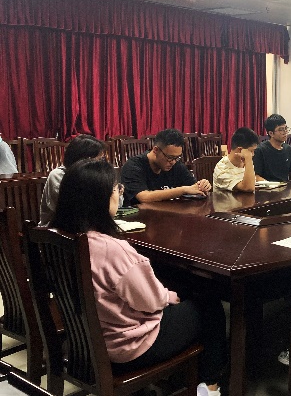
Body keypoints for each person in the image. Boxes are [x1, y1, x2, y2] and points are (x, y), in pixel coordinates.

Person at [51, 159, 226, 396]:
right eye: (116, 188)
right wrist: (170, 296)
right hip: (126, 348)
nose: (120, 193)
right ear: (100, 199)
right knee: (210, 305)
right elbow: (152, 302)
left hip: (84, 341)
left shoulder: (57, 237)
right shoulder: (112, 249)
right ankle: (210, 385)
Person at [121, 129, 210, 205]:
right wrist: (183, 190)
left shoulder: (175, 164)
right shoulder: (133, 166)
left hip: (168, 215)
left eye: (177, 157)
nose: (173, 162)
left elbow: (193, 187)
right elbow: (144, 197)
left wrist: (202, 186)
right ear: (156, 150)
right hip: (140, 217)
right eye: (170, 157)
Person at [39, 134, 108, 226]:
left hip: (87, 226)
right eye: (98, 159)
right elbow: (69, 210)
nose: (100, 164)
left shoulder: (93, 175)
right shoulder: (58, 175)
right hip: (56, 228)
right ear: (85, 159)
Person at [254, 114, 291, 182]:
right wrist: (271, 185)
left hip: (285, 187)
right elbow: (256, 176)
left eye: (286, 128)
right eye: (281, 130)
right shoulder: (260, 150)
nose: (285, 132)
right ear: (271, 133)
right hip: (267, 187)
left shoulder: (287, 148)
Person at [213, 127, 259, 192]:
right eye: (251, 151)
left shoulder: (244, 162)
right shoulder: (222, 168)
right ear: (240, 150)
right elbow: (248, 188)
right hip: (229, 199)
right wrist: (248, 160)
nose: (253, 154)